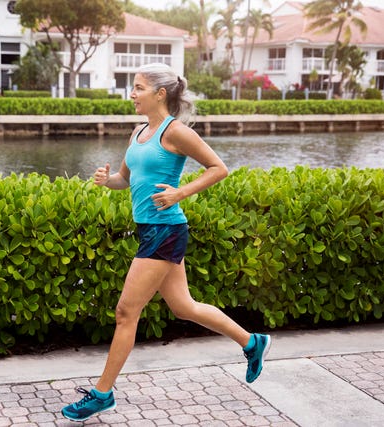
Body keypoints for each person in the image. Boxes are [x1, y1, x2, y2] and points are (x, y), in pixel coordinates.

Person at [61, 63, 271, 422]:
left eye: (138, 88)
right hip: (151, 229)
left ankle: (102, 394)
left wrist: (181, 193)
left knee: (126, 313)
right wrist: (105, 179)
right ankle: (253, 342)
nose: (132, 94)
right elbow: (125, 180)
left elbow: (218, 168)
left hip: (165, 230)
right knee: (184, 307)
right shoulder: (139, 131)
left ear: (160, 93)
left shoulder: (176, 132)